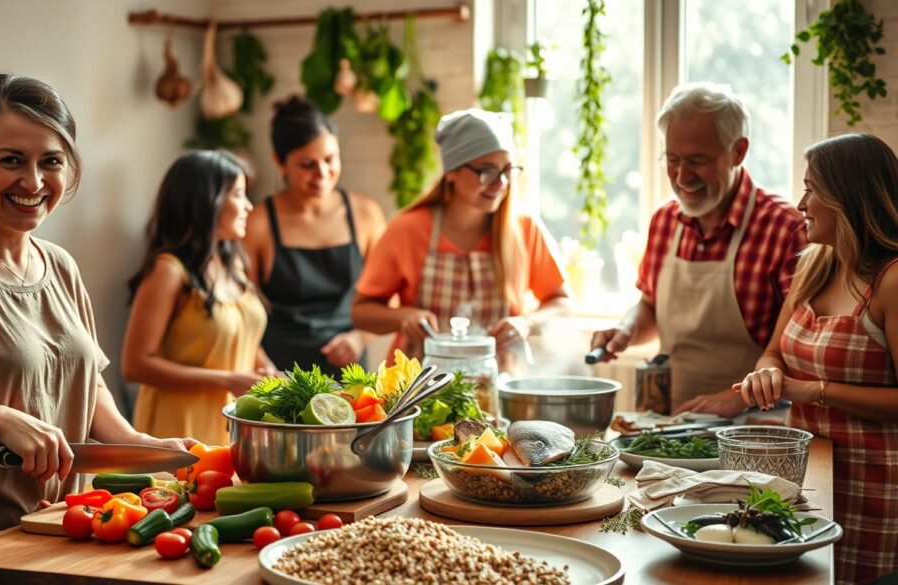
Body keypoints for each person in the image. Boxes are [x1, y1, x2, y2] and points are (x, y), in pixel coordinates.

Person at [0, 74, 192, 585]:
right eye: (11, 160)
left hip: (57, 532)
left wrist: (142, 443)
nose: (34, 182)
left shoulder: (59, 265)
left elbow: (81, 381)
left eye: (51, 161)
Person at [590, 82, 807, 416]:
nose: (681, 176)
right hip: (670, 420)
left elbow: (805, 347)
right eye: (672, 159)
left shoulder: (783, 228)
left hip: (754, 425)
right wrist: (626, 330)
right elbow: (650, 306)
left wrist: (740, 397)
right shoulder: (664, 221)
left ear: (738, 151)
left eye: (697, 160)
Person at [737, 134, 898, 584]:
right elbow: (772, 350)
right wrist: (767, 371)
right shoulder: (813, 264)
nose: (801, 203)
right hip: (809, 481)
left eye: (812, 189)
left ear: (848, 197)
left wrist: (813, 391)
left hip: (876, 486)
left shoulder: (892, 281)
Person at [351, 108, 569, 363]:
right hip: (419, 386)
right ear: (451, 172)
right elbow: (361, 312)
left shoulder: (524, 228)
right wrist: (404, 317)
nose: (500, 183)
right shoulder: (407, 229)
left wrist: (527, 322)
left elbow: (561, 302)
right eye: (487, 171)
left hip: (497, 382)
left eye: (508, 170)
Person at [125, 150, 270, 446]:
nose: (249, 206)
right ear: (208, 201)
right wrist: (228, 380)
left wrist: (271, 374)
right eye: (239, 195)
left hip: (230, 428)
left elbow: (245, 339)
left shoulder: (236, 265)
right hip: (178, 431)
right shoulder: (169, 270)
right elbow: (135, 364)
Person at [243, 96, 385, 376]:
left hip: (350, 371)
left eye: (330, 159)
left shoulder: (366, 215)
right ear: (279, 163)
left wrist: (360, 338)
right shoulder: (257, 223)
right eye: (307, 165)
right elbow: (239, 308)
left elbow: (388, 297)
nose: (322, 174)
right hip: (280, 372)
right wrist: (264, 368)